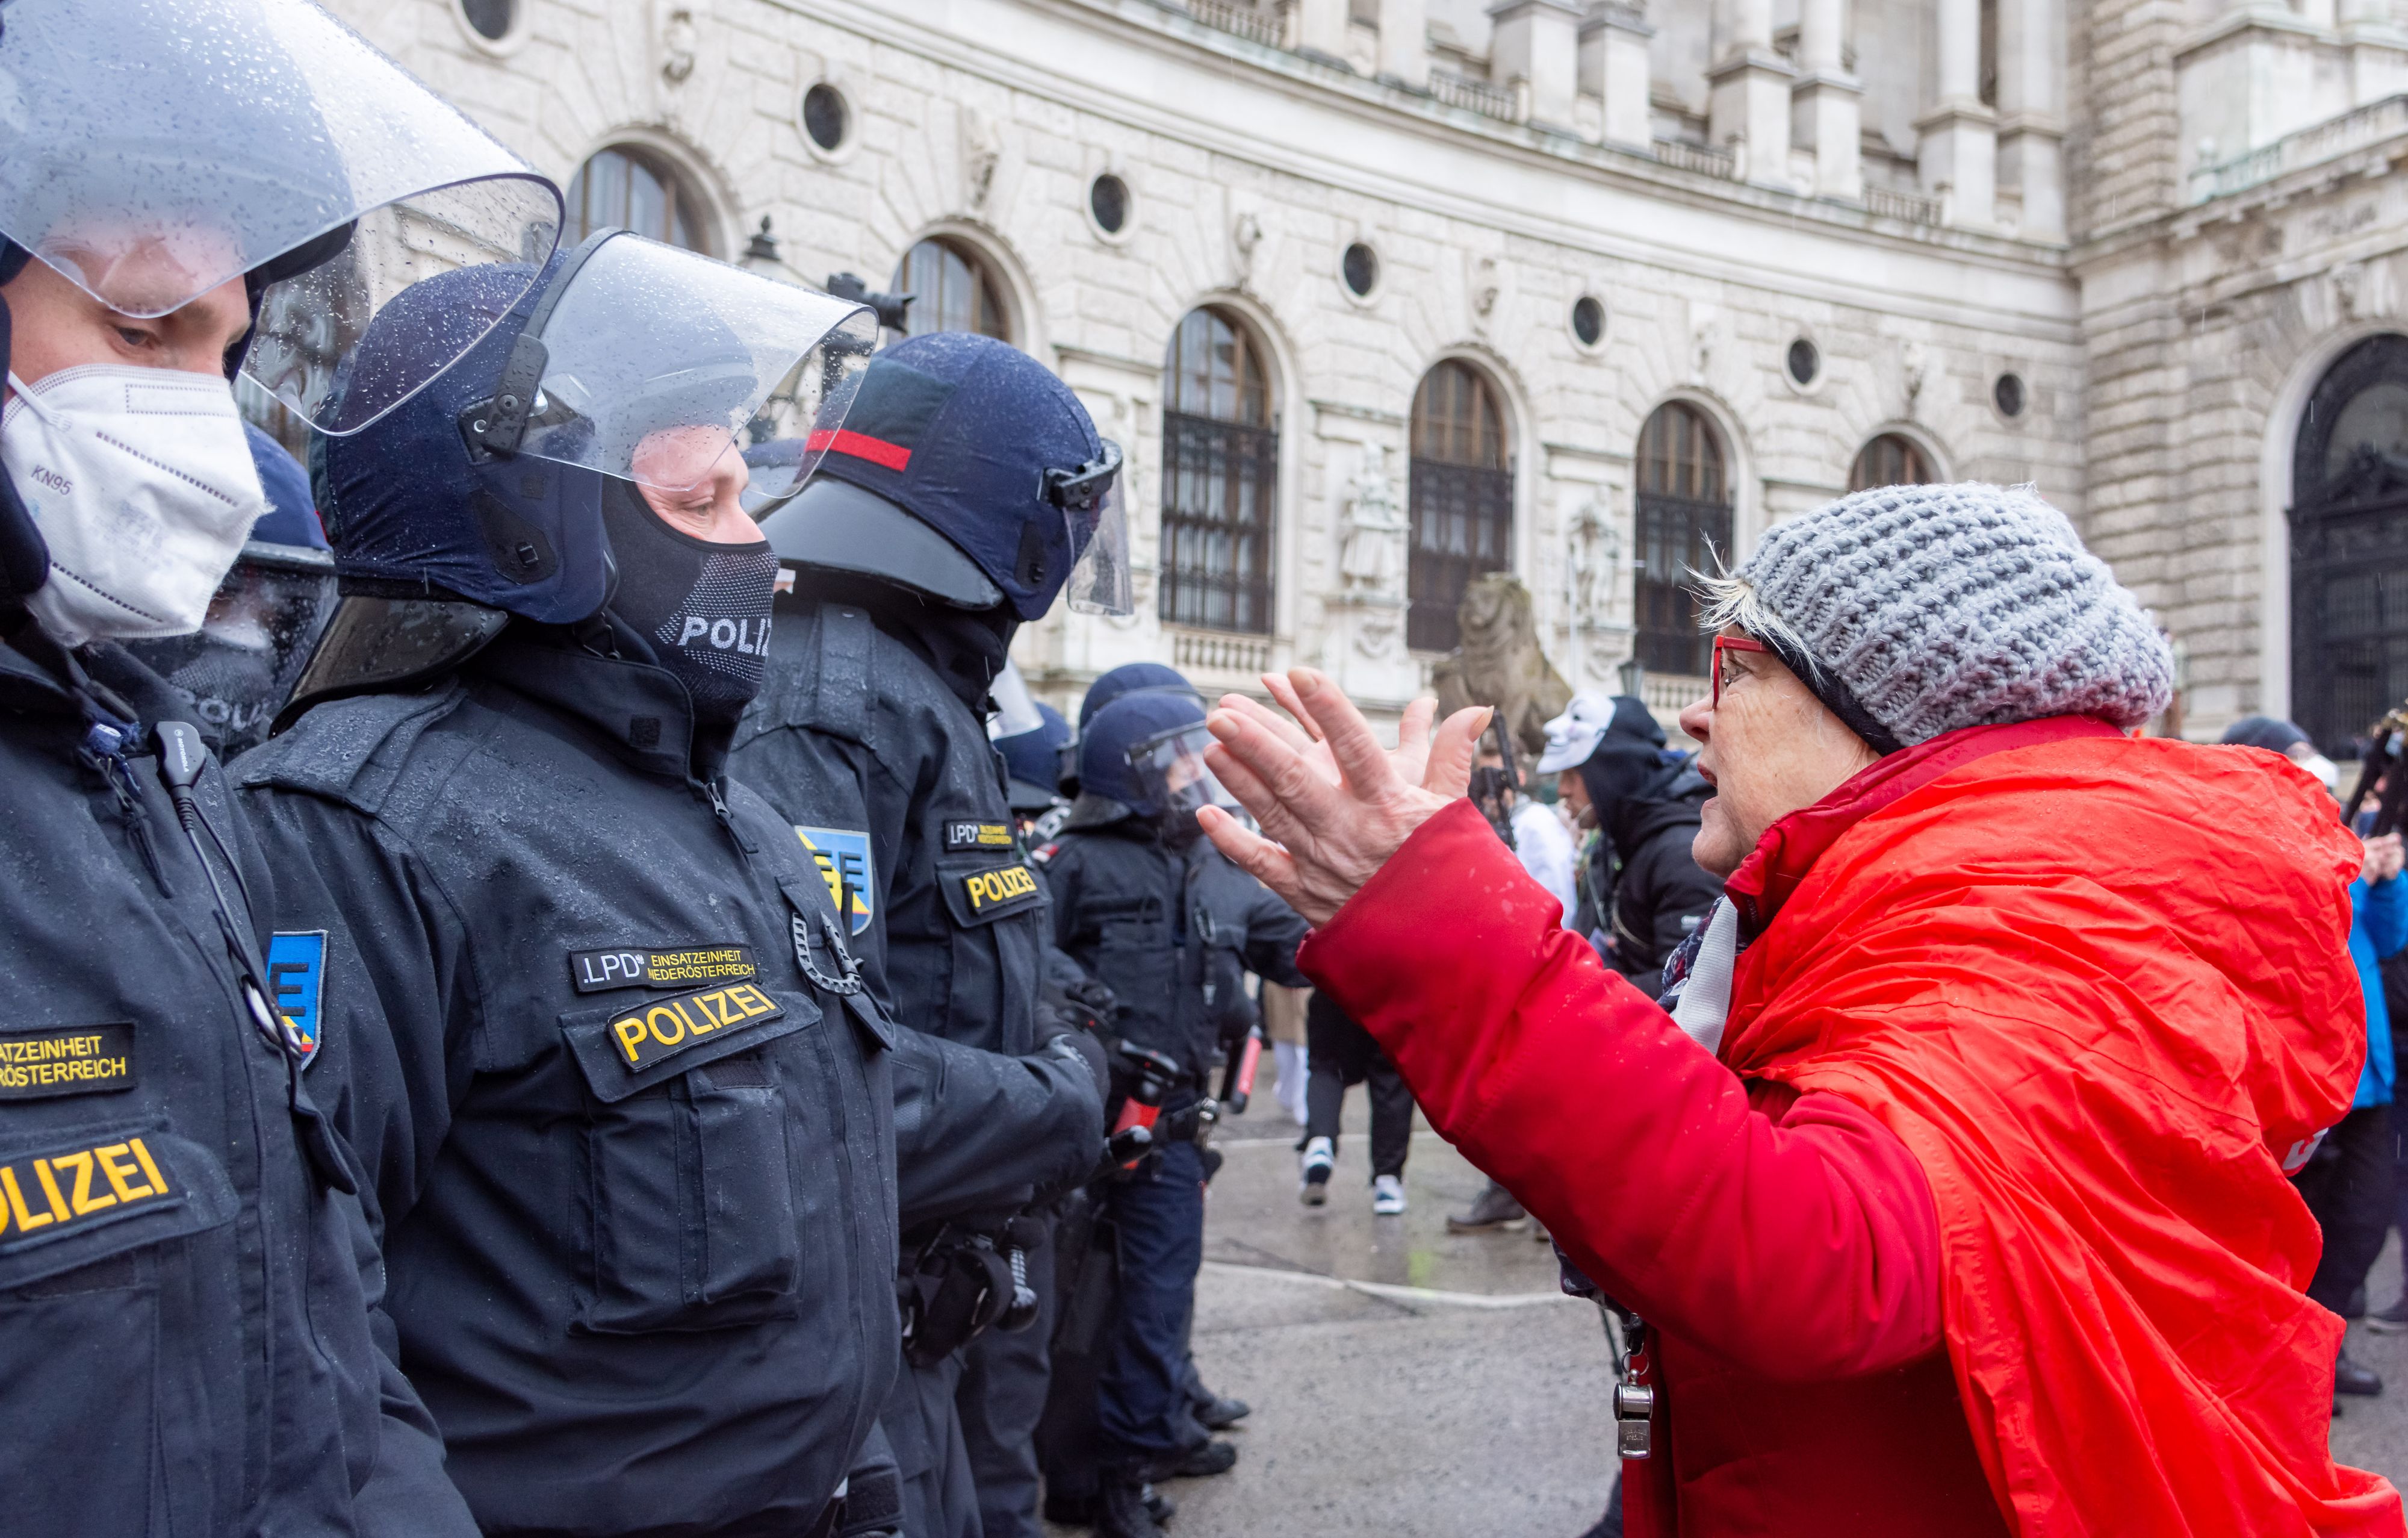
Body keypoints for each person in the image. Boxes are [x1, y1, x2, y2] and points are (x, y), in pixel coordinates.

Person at [1196, 482, 2403, 1536]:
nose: (1693, 710)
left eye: (1738, 666)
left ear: (1885, 708)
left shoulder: (2042, 911)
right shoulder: (1986, 879)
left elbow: (1825, 1255)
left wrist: (1443, 929)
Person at [235, 232, 904, 1537]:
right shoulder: (360, 826)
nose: (761, 545)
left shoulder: (735, 814)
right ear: (534, 519)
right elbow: (303, 1334)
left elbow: (818, 1194)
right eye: (703, 500)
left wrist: (859, 1460)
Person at [0, 2, 557, 1531]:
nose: (195, 409)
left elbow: (314, 1310)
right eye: (138, 326)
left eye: (226, 353)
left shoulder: (141, 779)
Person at [730, 331, 1127, 1538]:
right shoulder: (830, 700)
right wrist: (1059, 1096)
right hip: (859, 1326)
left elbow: (958, 948)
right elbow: (807, 1060)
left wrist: (1064, 1015)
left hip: (931, 1303)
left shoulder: (909, 685)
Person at [1041, 686, 1310, 1537]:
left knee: (1152, 1310)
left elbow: (1303, 948)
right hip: (1087, 1128)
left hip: (1171, 1138)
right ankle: (1074, 1473)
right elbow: (1031, 972)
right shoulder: (1074, 863)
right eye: (1182, 758)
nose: (1198, 774)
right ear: (1132, 770)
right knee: (1071, 1311)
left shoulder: (1216, 863)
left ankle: (1127, 1475)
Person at [2262, 714, 2408, 1403]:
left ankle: (2324, 1346)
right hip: (2305, 1077)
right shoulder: (2264, 855)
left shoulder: (2331, 843)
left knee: (2364, 1219)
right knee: (2300, 1230)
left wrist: (2382, 882)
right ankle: (2291, 1367)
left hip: (2367, 1073)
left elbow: (2379, 940)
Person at [1298, 989, 1414, 1212]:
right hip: (1392, 990)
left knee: (1328, 1068)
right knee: (1392, 1079)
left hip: (1335, 985)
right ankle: (1387, 1180)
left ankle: (1321, 1140)